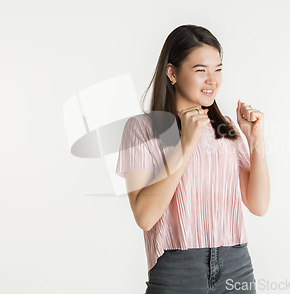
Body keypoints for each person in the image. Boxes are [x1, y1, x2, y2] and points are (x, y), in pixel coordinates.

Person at [115, 24, 270, 293]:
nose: (213, 80)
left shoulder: (227, 129)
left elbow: (258, 205)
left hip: (236, 265)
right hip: (177, 270)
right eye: (201, 70)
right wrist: (185, 145)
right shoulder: (142, 129)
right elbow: (145, 217)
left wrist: (255, 140)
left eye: (218, 69)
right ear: (172, 73)